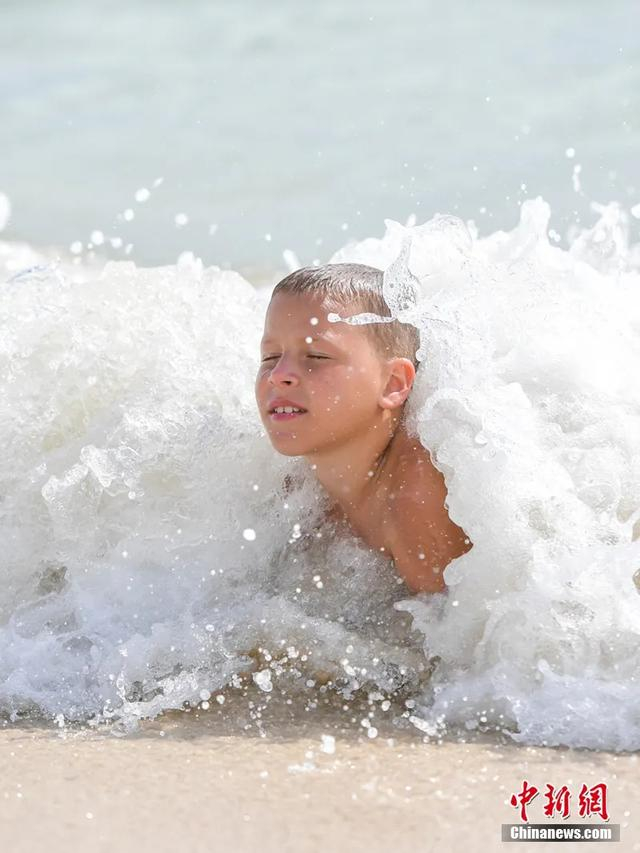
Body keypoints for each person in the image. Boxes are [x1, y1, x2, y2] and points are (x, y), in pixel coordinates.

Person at [254, 262, 472, 594]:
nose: (278, 374)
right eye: (270, 357)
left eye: (316, 356)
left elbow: (459, 634)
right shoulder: (298, 489)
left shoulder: (415, 498)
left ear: (393, 384)